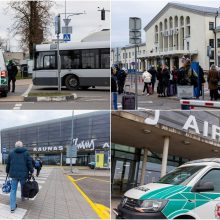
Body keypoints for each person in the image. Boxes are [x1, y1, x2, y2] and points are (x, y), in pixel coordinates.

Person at [6, 141, 33, 213]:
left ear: (15, 146)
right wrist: (32, 171)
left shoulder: (11, 153)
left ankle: (12, 207)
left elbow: (8, 164)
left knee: (13, 190)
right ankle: (23, 197)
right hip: (23, 175)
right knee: (23, 187)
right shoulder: (26, 153)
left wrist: (7, 171)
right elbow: (29, 163)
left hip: (14, 175)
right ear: (22, 146)